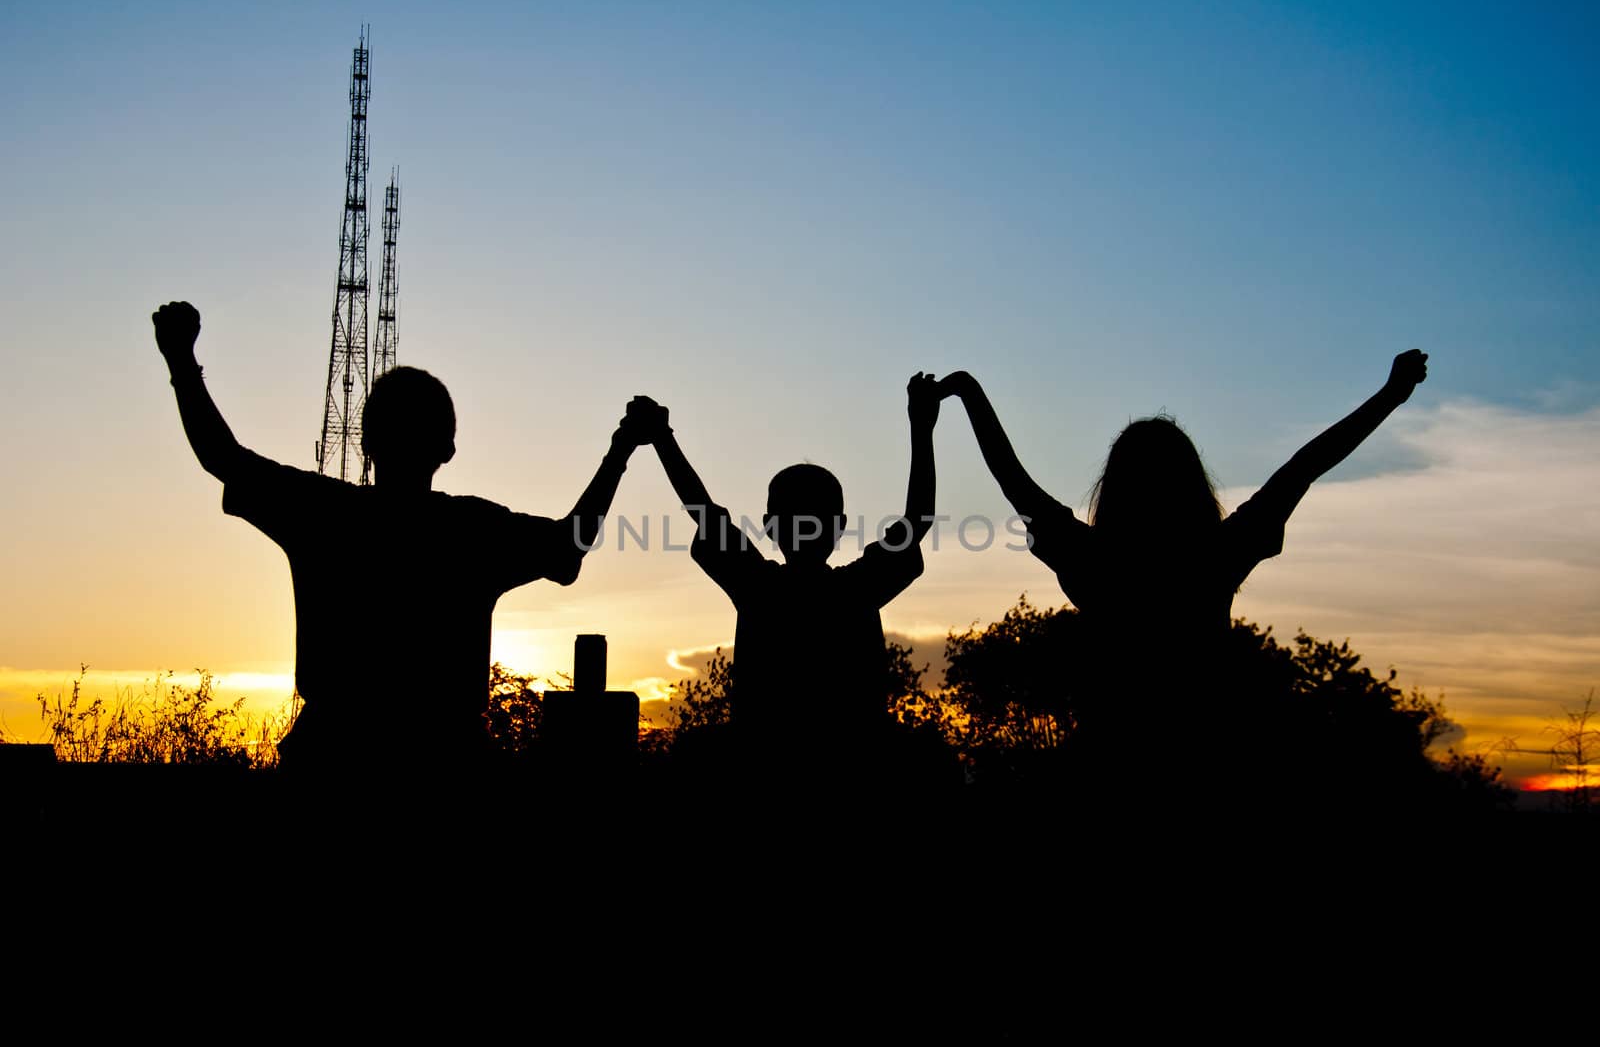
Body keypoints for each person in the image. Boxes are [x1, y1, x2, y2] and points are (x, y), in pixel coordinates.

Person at [151, 300, 642, 781]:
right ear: (448, 449)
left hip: (334, 758)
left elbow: (222, 457)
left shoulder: (324, 514)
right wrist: (619, 451)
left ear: (366, 444)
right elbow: (568, 547)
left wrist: (181, 361)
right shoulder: (472, 531)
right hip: (443, 762)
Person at [938, 351, 1430, 798]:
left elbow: (1011, 477)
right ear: (1192, 485)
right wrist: (1390, 395)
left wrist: (966, 391)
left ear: (1113, 489)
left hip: (1108, 772)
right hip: (1210, 768)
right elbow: (1307, 464)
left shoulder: (1095, 559)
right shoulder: (1217, 554)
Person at [625, 374, 941, 794]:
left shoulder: (760, 587)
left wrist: (664, 439)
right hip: (857, 774)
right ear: (840, 527)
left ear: (771, 527)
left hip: (765, 775)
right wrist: (921, 427)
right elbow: (917, 519)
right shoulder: (856, 589)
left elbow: (705, 513)